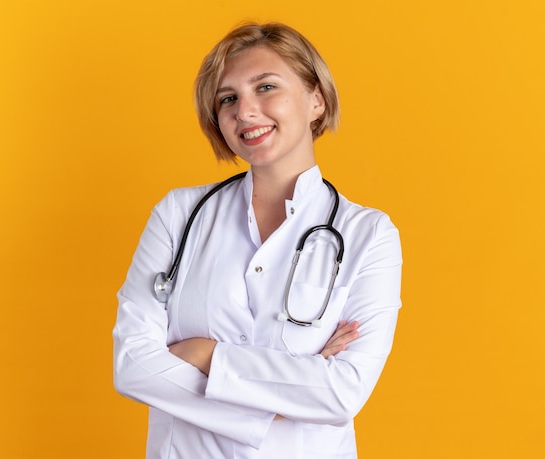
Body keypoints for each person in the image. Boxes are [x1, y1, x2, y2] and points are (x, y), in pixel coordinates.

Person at [113, 22, 402, 458]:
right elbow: (132, 367)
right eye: (228, 98)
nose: (245, 111)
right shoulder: (178, 215)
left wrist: (202, 353)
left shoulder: (368, 235)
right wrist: (284, 398)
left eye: (265, 87)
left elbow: (343, 394)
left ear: (316, 100)